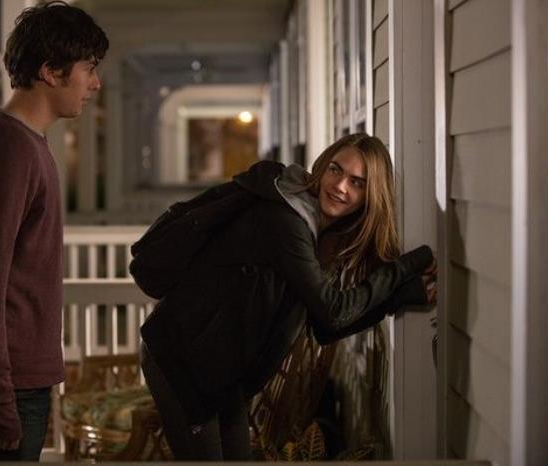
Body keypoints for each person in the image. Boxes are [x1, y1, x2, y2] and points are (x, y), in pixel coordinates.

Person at [139, 133, 437, 460]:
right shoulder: (286, 222)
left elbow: (325, 325)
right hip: (182, 357)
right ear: (322, 167)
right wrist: (409, 265)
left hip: (221, 372)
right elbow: (334, 311)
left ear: (370, 195)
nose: (340, 186)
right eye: (335, 170)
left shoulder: (315, 232)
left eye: (357, 182)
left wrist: (403, 296)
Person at [0, 2, 108, 461]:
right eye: (88, 68)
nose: (95, 84)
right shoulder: (9, 151)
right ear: (51, 71)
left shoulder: (18, 140)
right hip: (6, 383)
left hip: (12, 377)